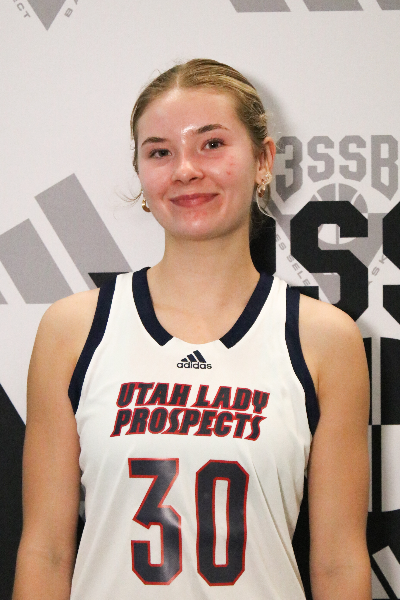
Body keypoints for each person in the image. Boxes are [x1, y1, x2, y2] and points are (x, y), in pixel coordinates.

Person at [12, 59, 371, 600]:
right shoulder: (73, 329)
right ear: (140, 171)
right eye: (160, 152)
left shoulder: (323, 338)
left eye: (211, 144)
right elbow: (46, 551)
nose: (184, 170)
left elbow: (340, 564)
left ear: (263, 160)